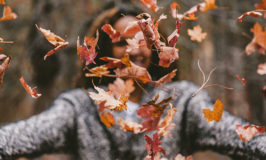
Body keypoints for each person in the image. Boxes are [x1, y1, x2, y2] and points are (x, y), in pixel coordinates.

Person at [0, 2, 266, 160]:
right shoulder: (80, 107)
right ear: (104, 52)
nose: (134, 50)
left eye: (142, 40)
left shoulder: (183, 101)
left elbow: (248, 141)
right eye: (121, 43)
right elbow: (13, 139)